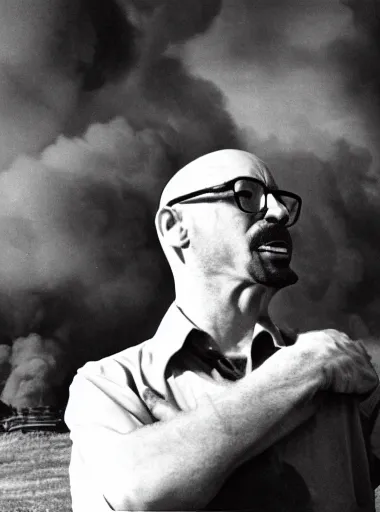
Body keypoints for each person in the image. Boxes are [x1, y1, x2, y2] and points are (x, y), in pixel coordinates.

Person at [64, 149, 380, 511]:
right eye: (247, 195)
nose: (277, 213)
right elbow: (139, 490)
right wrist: (304, 370)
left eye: (281, 202)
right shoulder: (111, 383)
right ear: (174, 226)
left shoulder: (346, 372)